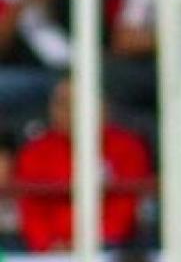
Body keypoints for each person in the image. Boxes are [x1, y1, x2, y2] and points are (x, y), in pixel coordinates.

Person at [15, 78, 153, 252]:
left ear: (102, 107)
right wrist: (46, 244)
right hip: (51, 250)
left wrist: (97, 241)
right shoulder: (34, 151)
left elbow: (126, 206)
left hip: (112, 247)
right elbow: (31, 209)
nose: (67, 111)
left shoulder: (128, 147)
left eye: (76, 103)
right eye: (61, 103)